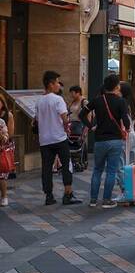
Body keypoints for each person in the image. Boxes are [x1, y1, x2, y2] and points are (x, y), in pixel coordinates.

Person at [81, 74, 130, 208]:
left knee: (97, 170)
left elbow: (82, 114)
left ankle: (93, 200)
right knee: (111, 171)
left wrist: (91, 126)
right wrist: (127, 128)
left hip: (100, 140)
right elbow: (126, 120)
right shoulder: (121, 101)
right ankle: (107, 200)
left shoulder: (97, 100)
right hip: (115, 140)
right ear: (116, 86)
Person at [36, 70, 82, 206]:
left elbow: (37, 120)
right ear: (50, 84)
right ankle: (68, 194)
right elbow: (65, 119)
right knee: (66, 165)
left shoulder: (39, 101)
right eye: (56, 82)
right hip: (59, 138)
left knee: (46, 168)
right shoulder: (58, 100)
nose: (58, 85)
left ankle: (49, 196)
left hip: (44, 140)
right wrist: (66, 126)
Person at [0, 96, 14, 207]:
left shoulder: (7, 116)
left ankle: (4, 196)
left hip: (4, 147)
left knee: (2, 174)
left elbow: (9, 135)